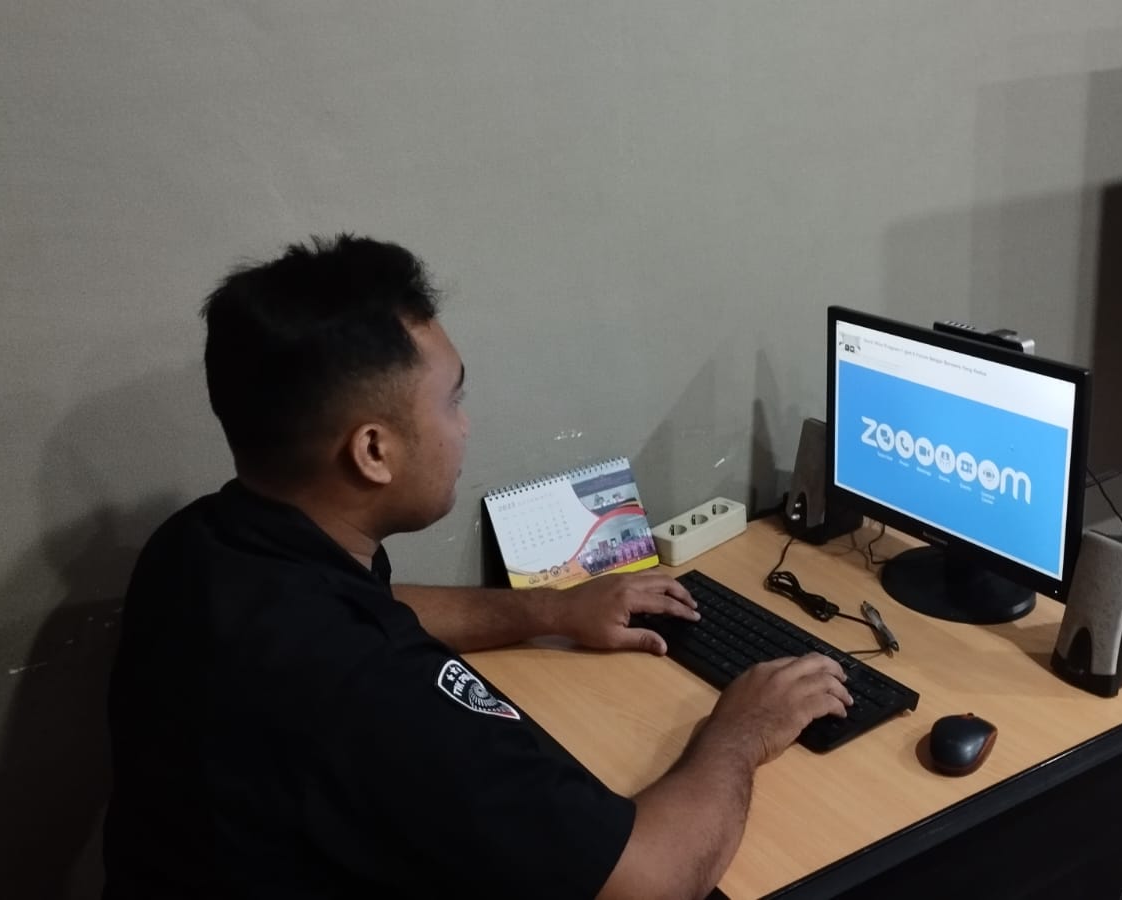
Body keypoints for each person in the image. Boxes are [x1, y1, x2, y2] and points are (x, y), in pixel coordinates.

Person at [103, 234, 852, 899]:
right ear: (373, 451)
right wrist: (742, 731)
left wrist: (552, 610)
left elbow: (372, 607)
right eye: (451, 401)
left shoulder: (198, 546)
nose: (464, 426)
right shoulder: (374, 694)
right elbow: (649, 881)